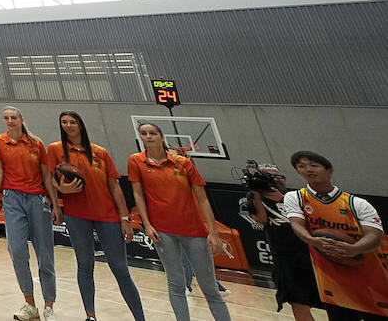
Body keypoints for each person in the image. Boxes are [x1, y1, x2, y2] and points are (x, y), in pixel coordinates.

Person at [45, 111, 145, 321]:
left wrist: (125, 217)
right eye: (64, 122)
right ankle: (90, 316)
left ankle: (140, 318)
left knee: (119, 267)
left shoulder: (100, 152)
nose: (68, 125)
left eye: (72, 122)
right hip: (76, 216)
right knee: (85, 264)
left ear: (80, 124)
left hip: (106, 215)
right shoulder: (55, 149)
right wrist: (62, 191)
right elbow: (50, 179)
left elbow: (114, 186)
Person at [129, 122, 232, 321]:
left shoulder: (182, 162)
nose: (148, 136)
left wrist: (213, 232)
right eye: (144, 133)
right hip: (162, 231)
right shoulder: (135, 161)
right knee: (175, 283)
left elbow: (202, 199)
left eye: (152, 133)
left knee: (209, 287)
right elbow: (137, 194)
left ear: (161, 136)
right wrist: (147, 224)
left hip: (193, 230)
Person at [283, 150, 388, 320]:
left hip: (370, 278)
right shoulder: (295, 198)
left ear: (329, 171)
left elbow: (374, 236)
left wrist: (354, 249)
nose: (308, 169)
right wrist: (313, 240)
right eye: (301, 166)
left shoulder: (357, 203)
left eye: (314, 165)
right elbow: (296, 224)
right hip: (332, 282)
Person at [0, 107, 60, 321]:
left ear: (22, 119)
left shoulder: (36, 144)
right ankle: (30, 306)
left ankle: (49, 307)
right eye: (6, 118)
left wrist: (55, 205)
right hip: (11, 198)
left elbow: (46, 177)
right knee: (17, 250)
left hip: (37, 199)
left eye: (14, 118)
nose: (10, 121)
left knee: (45, 254)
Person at [241, 163, 317, 321]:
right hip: (286, 259)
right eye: (272, 177)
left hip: (311, 255)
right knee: (298, 301)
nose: (278, 180)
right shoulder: (256, 199)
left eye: (279, 176)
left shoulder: (296, 197)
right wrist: (255, 192)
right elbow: (261, 220)